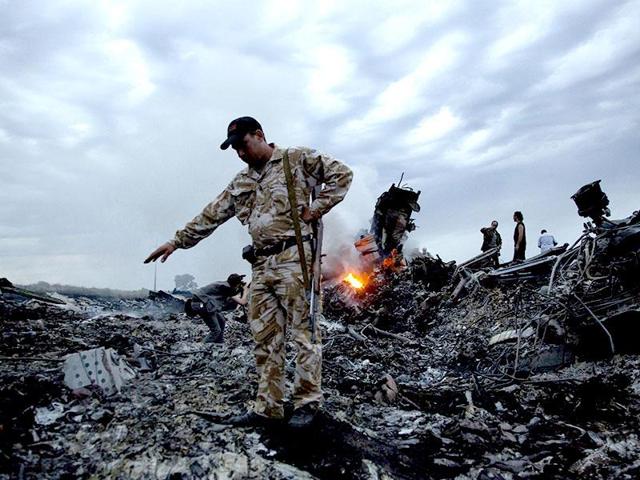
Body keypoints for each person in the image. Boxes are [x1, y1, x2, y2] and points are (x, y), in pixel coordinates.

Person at [144, 116, 353, 428]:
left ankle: (307, 403)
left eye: (243, 145)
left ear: (259, 135)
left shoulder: (296, 160)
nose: (240, 153)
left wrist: (317, 207)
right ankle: (268, 408)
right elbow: (212, 213)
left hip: (295, 261)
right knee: (266, 339)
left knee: (304, 335)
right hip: (261, 265)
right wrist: (177, 241)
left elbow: (342, 175)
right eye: (235, 149)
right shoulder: (241, 182)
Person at [185, 273, 249, 344]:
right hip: (202, 305)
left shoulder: (225, 285)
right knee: (216, 330)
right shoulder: (227, 288)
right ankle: (201, 346)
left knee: (222, 321)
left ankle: (219, 342)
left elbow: (230, 294)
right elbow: (243, 302)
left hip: (206, 303)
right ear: (235, 284)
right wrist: (245, 289)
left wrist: (239, 288)